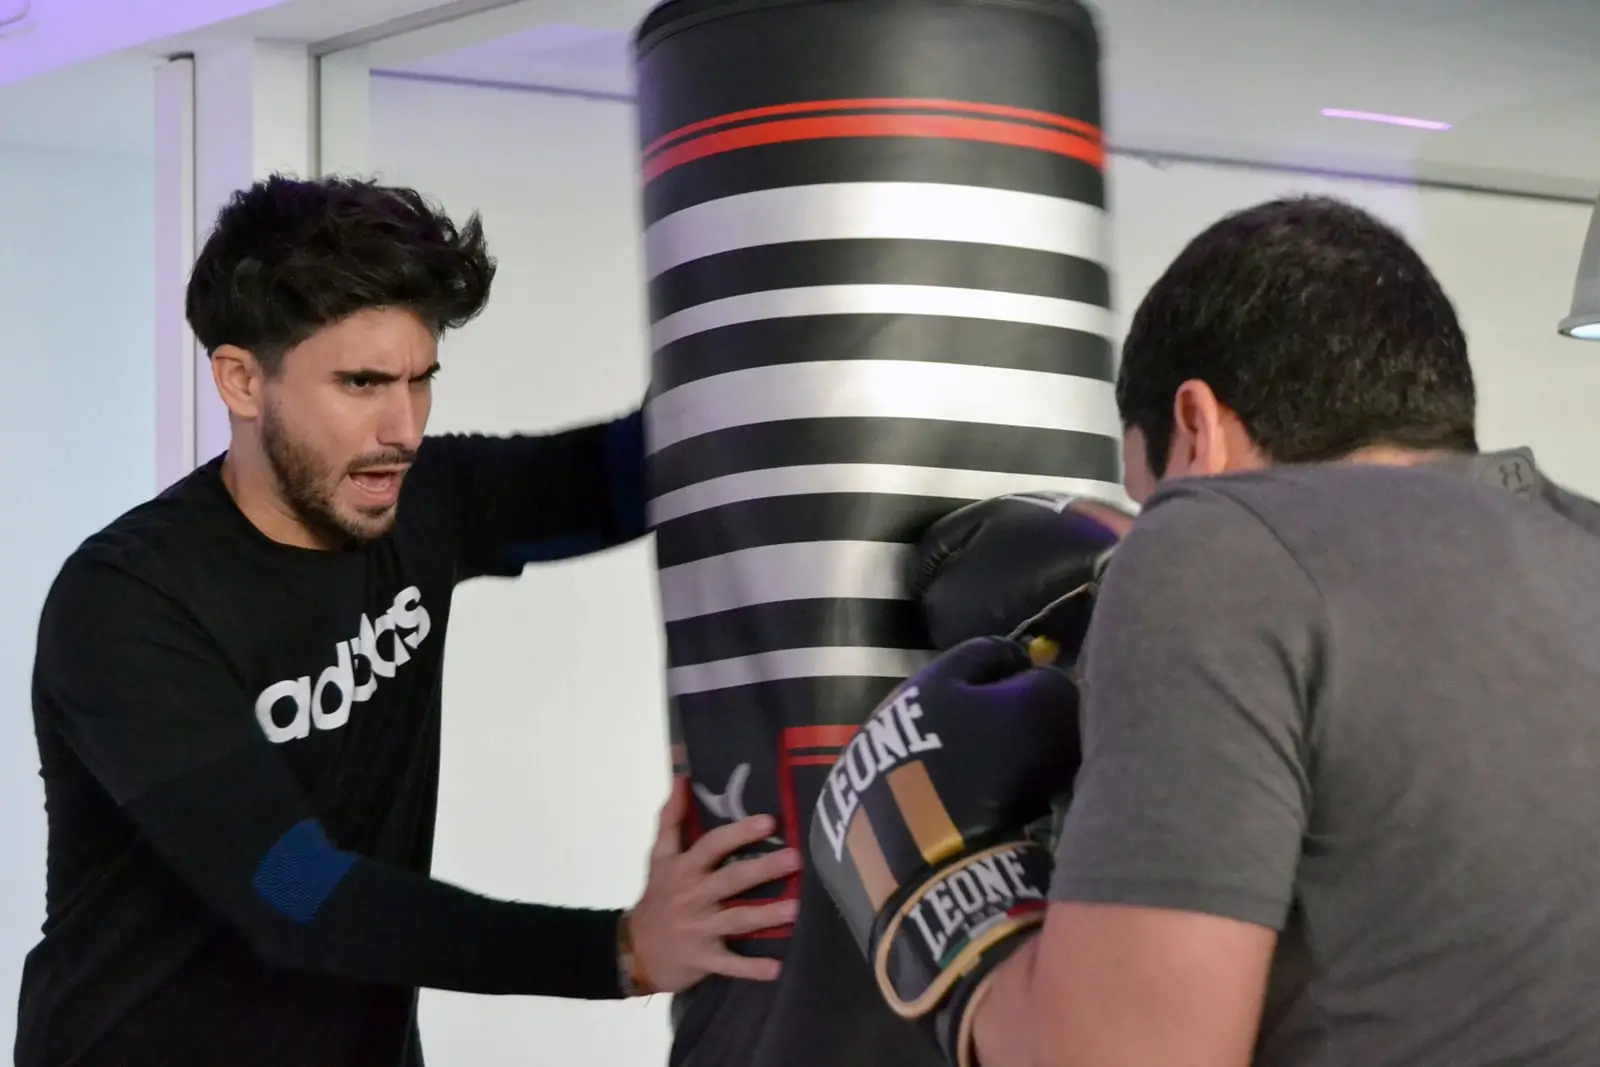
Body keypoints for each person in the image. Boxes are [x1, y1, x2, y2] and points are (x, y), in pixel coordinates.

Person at [17, 175, 800, 1067]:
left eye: (421, 380)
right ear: (241, 379)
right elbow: (293, 889)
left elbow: (642, 472)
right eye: (361, 382)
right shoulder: (129, 600)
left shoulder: (419, 502)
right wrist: (616, 950)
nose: (404, 427)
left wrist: (788, 291)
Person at [811, 195, 1600, 1067]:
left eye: (1148, 502)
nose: (1148, 533)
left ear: (1196, 427)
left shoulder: (1217, 546)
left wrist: (948, 910)